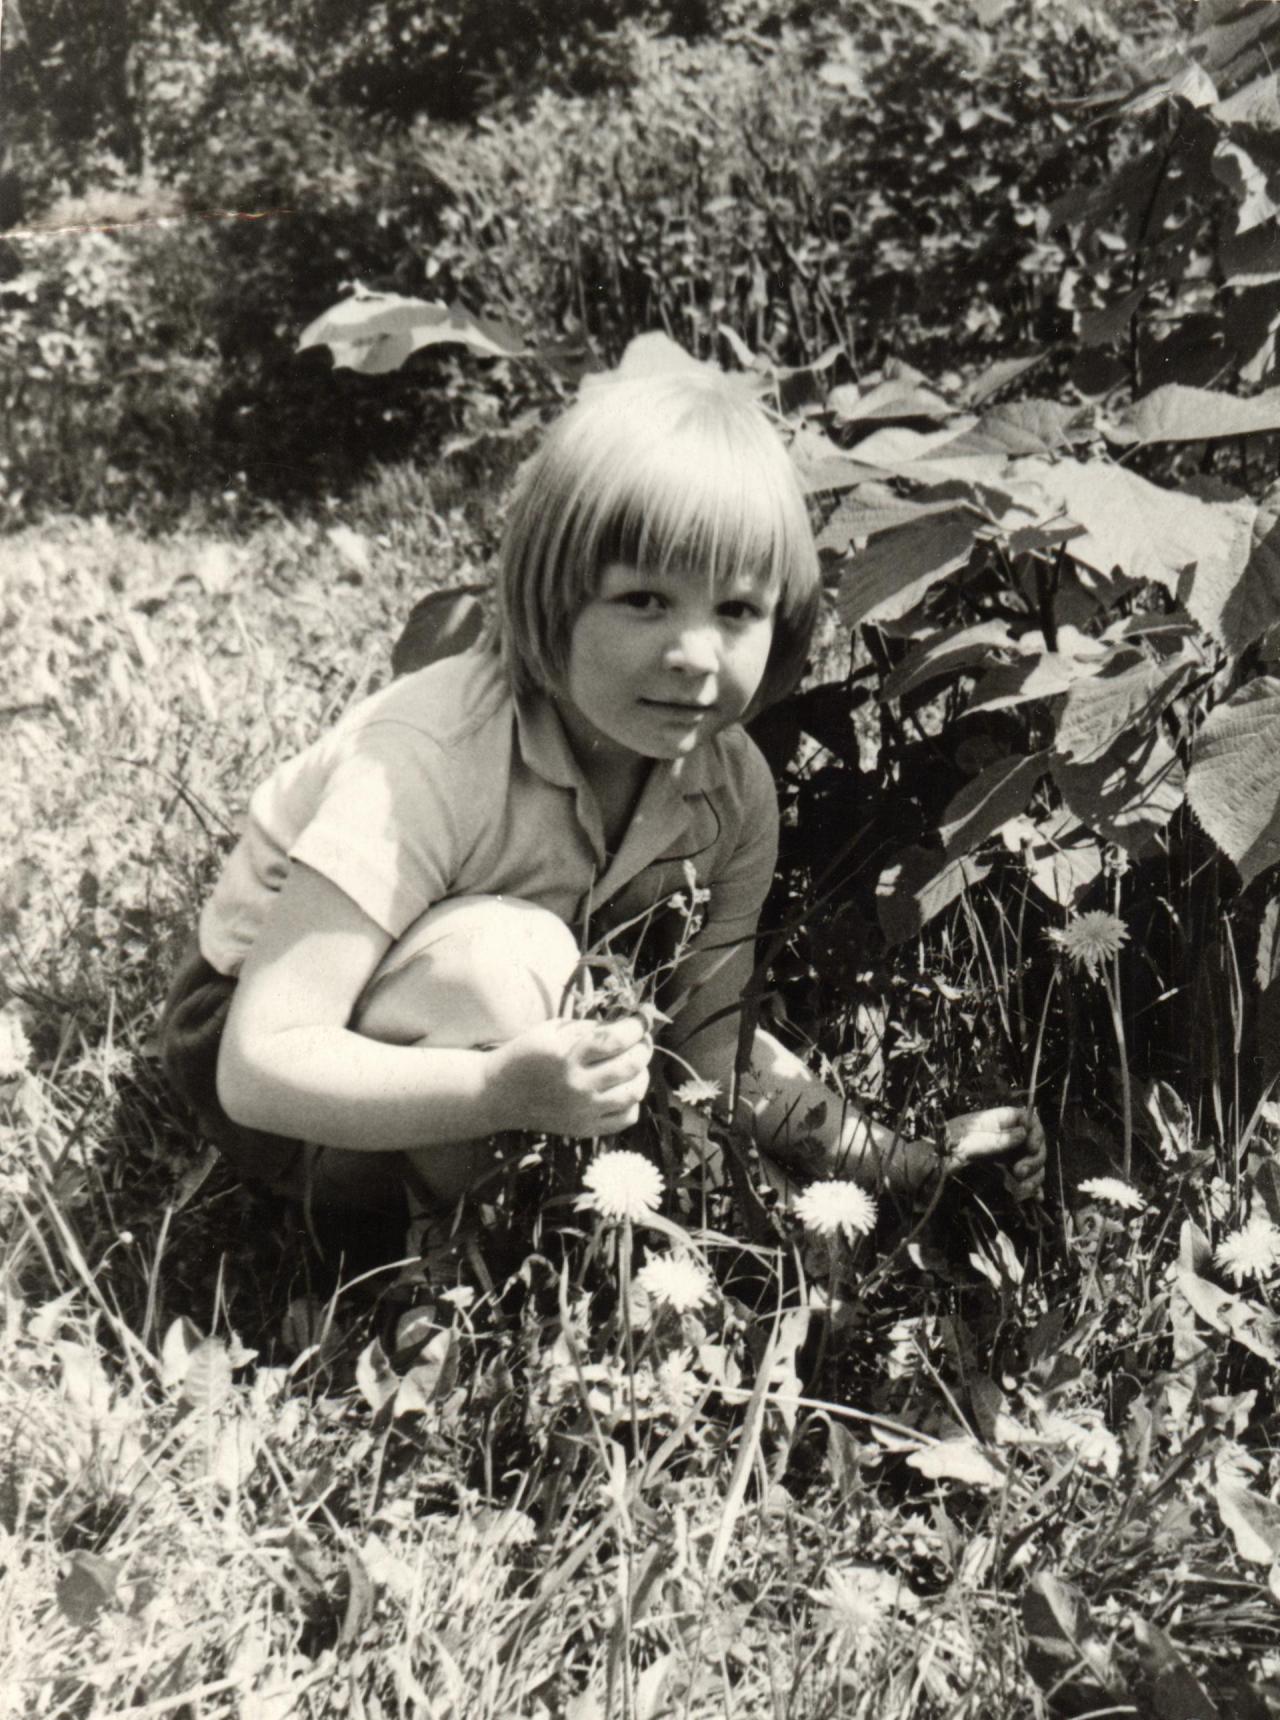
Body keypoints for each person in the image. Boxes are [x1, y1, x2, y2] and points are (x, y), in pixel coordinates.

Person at [160, 359, 1045, 1235]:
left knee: (729, 1188)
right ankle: (454, 1270)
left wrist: (906, 1161)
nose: (695, 653)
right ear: (552, 601)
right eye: (645, 599)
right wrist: (495, 1090)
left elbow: (710, 1046)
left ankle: (566, 1227)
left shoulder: (730, 786)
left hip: (511, 1064)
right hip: (291, 1096)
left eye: (736, 610)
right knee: (505, 964)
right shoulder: (431, 757)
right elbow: (258, 1066)